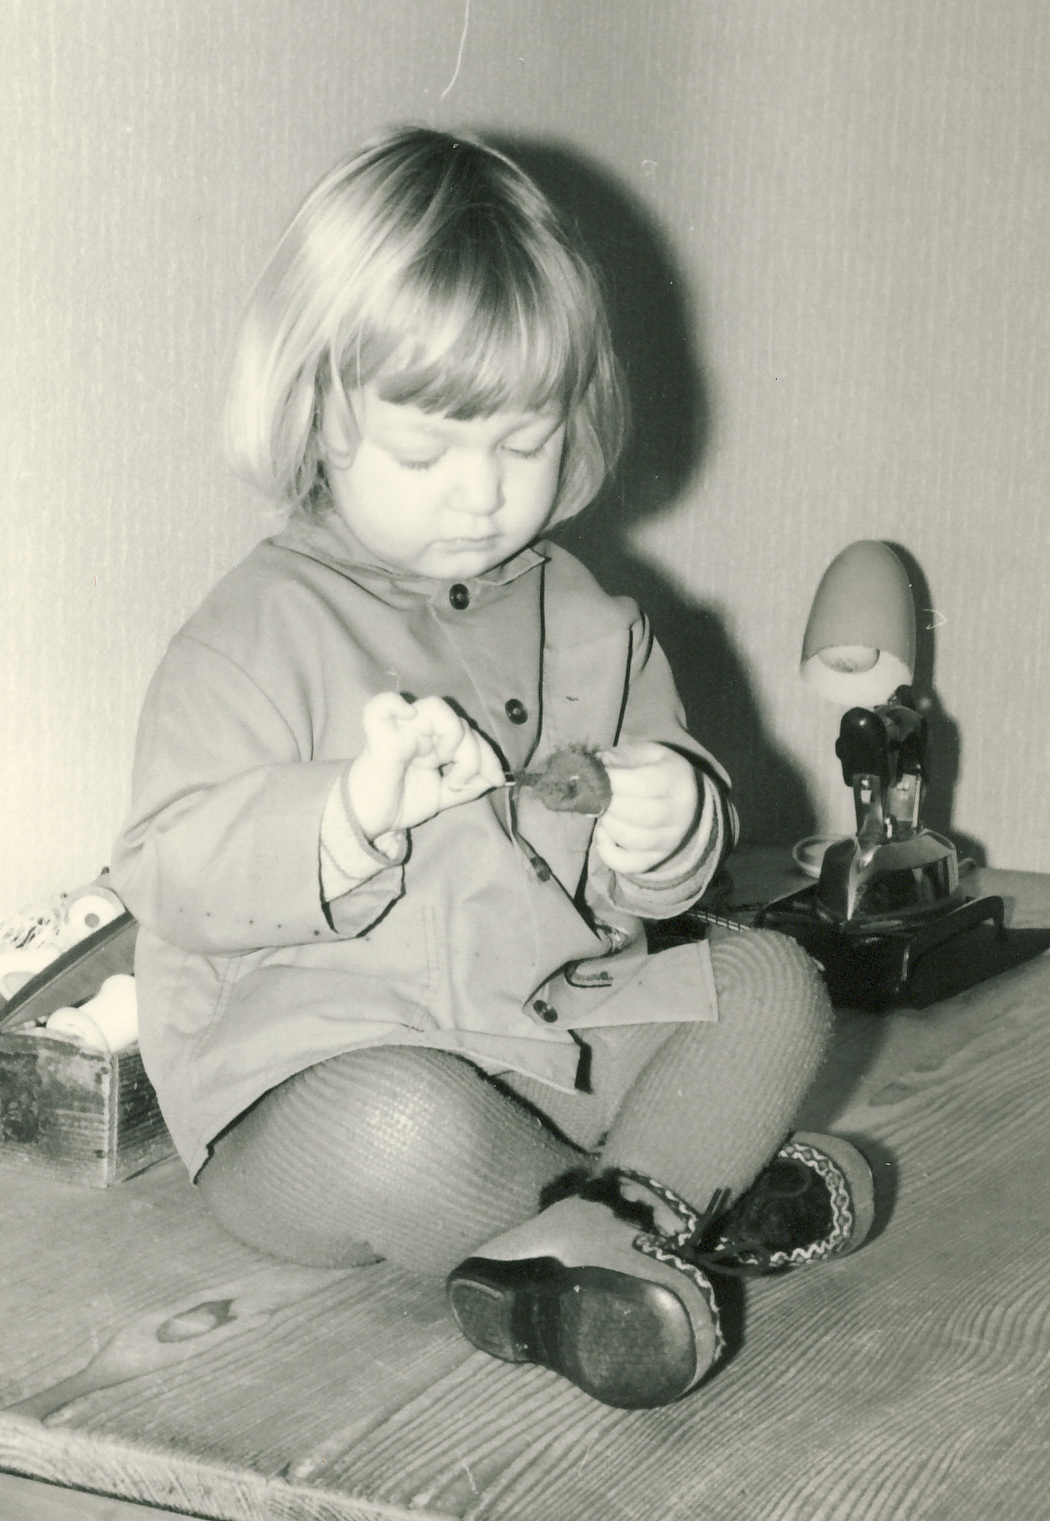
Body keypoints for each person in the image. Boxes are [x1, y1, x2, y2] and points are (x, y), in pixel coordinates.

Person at [111, 126, 874, 1410]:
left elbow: (649, 892)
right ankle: (678, 1209)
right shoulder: (253, 630)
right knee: (403, 1125)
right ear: (315, 413)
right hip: (312, 1085)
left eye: (521, 446)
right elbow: (169, 869)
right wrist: (345, 820)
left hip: (546, 1039)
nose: (481, 495)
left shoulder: (587, 615)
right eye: (426, 454)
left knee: (771, 983)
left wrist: (672, 824)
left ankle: (616, 1230)